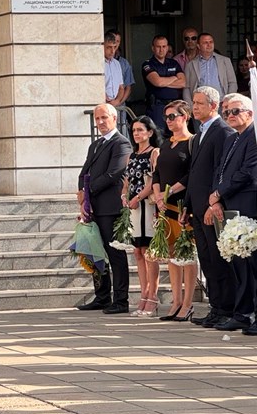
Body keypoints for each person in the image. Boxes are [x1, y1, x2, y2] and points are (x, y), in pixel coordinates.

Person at [208, 94, 257, 336]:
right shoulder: (232, 138)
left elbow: (249, 172)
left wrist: (219, 193)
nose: (230, 116)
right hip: (231, 207)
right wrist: (216, 197)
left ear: (250, 113)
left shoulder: (256, 136)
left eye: (235, 111)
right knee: (239, 264)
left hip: (250, 207)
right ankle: (243, 314)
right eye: (226, 112)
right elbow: (220, 170)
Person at [182, 87, 236, 329]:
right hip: (197, 206)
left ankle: (226, 308)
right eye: (194, 102)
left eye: (200, 103)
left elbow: (220, 171)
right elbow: (194, 172)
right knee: (206, 259)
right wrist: (188, 205)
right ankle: (216, 307)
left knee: (218, 260)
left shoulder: (223, 131)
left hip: (212, 208)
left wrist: (214, 203)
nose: (195, 107)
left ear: (214, 106)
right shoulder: (200, 133)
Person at [76, 104, 133, 313]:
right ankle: (102, 296)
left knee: (114, 253)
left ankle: (121, 300)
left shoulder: (121, 143)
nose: (100, 122)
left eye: (104, 118)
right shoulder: (96, 145)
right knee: (95, 252)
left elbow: (113, 173)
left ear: (114, 118)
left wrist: (88, 191)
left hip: (110, 207)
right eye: (97, 118)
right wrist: (81, 192)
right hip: (94, 207)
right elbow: (84, 172)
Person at [152, 100, 197, 323]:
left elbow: (192, 173)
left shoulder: (192, 142)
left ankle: (188, 303)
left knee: (186, 255)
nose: (169, 121)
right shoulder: (165, 144)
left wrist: (169, 192)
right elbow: (157, 173)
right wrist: (158, 195)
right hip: (165, 206)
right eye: (166, 117)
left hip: (182, 206)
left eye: (173, 116)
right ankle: (176, 301)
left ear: (185, 116)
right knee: (171, 256)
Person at [122, 116, 161, 317]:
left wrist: (137, 197)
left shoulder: (154, 153)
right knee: (137, 251)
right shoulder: (131, 156)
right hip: (133, 207)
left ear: (150, 132)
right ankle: (143, 293)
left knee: (149, 251)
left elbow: (153, 182)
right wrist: (124, 196)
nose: (136, 133)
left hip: (147, 205)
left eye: (140, 130)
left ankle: (152, 296)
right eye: (134, 130)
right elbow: (126, 181)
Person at [182, 33, 237, 107]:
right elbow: (186, 88)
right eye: (205, 42)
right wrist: (191, 106)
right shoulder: (190, 65)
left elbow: (232, 83)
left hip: (221, 103)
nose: (209, 45)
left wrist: (228, 100)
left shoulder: (225, 61)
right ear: (198, 46)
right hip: (200, 105)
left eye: (211, 42)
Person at [142, 35, 184, 131]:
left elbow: (183, 82)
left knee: (176, 134)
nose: (161, 50)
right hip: (157, 107)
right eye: (158, 47)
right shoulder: (148, 64)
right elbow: (158, 82)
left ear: (167, 47)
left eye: (164, 46)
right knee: (158, 135)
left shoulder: (174, 63)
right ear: (153, 48)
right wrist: (174, 77)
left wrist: (163, 82)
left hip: (174, 106)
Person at [103, 31, 124, 108]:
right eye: (109, 47)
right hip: (102, 104)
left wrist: (117, 101)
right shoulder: (98, 64)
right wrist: (106, 99)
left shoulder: (117, 64)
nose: (112, 51)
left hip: (115, 105)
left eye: (114, 47)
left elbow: (121, 87)